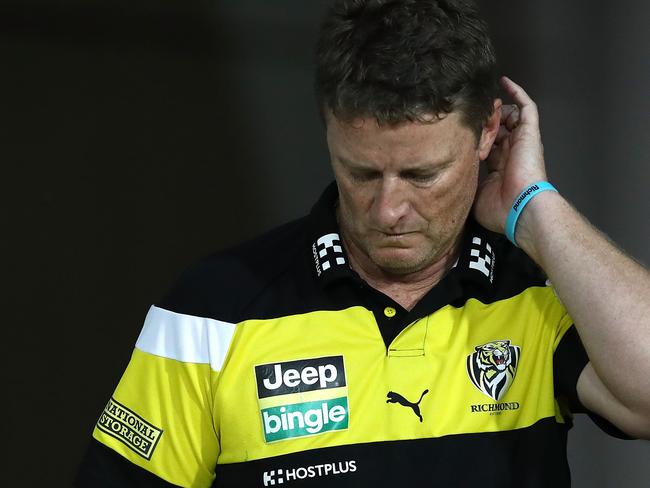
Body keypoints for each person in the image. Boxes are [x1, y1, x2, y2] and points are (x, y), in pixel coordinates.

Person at [76, 0, 650, 486]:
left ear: (488, 132)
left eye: (423, 175)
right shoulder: (212, 308)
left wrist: (534, 205)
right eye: (362, 173)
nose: (389, 209)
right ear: (328, 127)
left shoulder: (540, 288)